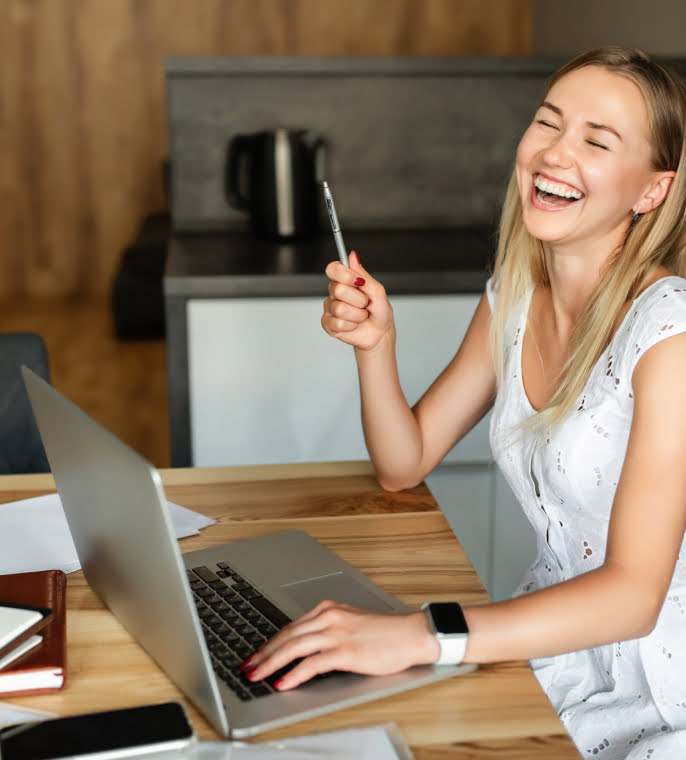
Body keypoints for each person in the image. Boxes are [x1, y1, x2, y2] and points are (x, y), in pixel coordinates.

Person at [241, 46, 686, 758]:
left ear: (652, 192)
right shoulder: (515, 295)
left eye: (597, 141)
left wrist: (422, 633)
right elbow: (404, 462)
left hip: (663, 695)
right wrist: (376, 346)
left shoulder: (670, 335)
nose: (555, 153)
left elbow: (633, 598)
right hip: (548, 653)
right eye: (548, 122)